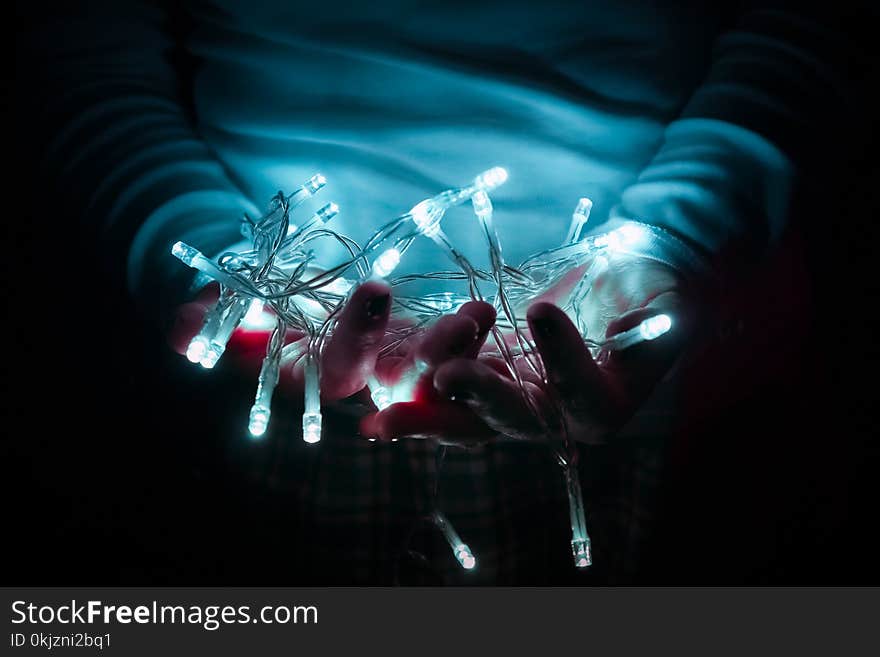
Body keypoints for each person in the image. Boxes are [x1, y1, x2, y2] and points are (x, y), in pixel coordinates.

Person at [20, 0, 867, 583]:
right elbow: (75, 40)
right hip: (260, 374)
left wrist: (669, 242)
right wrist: (209, 260)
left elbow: (811, 25)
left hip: (593, 362)